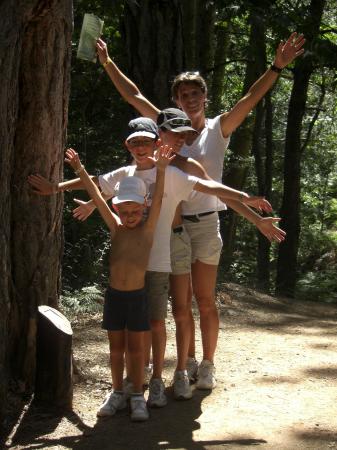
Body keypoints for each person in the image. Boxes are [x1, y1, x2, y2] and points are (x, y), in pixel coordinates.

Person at [95, 32, 304, 389]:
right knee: (177, 302)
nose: (190, 99)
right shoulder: (166, 123)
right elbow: (132, 95)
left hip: (205, 224)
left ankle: (207, 363)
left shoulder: (217, 128)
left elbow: (250, 98)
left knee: (204, 299)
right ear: (176, 98)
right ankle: (184, 363)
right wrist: (107, 62)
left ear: (205, 97)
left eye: (196, 93)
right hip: (168, 227)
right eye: (183, 94)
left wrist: (276, 67)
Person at [28, 117, 277, 407]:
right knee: (138, 323)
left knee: (167, 316)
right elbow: (96, 184)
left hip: (166, 251)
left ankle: (172, 373)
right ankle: (137, 379)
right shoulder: (125, 174)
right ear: (128, 146)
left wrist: (248, 199)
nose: (141, 147)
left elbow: (210, 188)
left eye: (146, 141)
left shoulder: (171, 174)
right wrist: (55, 188)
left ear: (156, 143)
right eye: (135, 142)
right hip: (136, 264)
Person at [63, 145, 175, 422]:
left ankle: (137, 394)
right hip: (115, 297)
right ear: (117, 209)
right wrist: (79, 169)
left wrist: (160, 170)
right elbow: (96, 199)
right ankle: (116, 392)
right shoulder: (115, 228)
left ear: (143, 207)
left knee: (136, 349)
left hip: (137, 297)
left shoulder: (148, 230)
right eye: (124, 210)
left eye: (134, 210)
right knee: (115, 348)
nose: (129, 215)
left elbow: (159, 198)